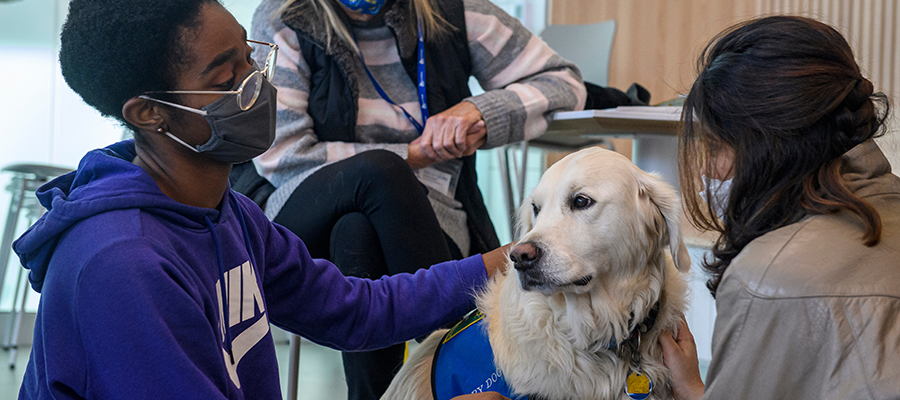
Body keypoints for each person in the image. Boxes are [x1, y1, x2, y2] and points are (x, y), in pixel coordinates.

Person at [12, 0, 512, 398]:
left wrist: (508, 261)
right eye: (227, 81)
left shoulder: (230, 214)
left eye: (252, 60)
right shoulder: (123, 265)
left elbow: (357, 310)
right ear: (149, 113)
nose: (258, 88)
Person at [239, 0, 586, 397]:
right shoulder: (285, 16)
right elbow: (282, 153)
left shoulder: (451, 10)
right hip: (305, 205)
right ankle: (443, 347)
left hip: (426, 218)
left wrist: (481, 111)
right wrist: (411, 156)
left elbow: (564, 82)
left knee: (356, 231)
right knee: (383, 171)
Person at [658, 16, 900, 400]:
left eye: (716, 146)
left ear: (768, 147)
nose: (706, 168)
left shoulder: (767, 278)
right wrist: (694, 388)